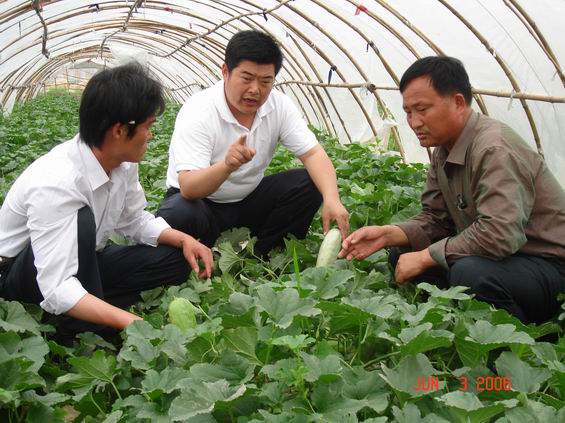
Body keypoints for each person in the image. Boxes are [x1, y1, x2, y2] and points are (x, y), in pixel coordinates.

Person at [339, 56, 565, 324]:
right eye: (408, 112)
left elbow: (500, 235)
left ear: (458, 102)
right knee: (403, 252)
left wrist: (427, 257)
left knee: (471, 274)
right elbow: (435, 219)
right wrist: (388, 235)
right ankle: (448, 324)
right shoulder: (444, 148)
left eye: (422, 109)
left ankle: (519, 344)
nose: (414, 122)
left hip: (549, 266)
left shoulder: (494, 148)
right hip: (506, 260)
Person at [0, 62, 213, 338]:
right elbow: (56, 286)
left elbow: (134, 219)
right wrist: (131, 323)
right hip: (22, 275)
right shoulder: (57, 182)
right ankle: (80, 324)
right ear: (120, 130)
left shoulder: (123, 163)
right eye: (148, 127)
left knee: (173, 260)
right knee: (82, 221)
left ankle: (88, 305)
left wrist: (184, 240)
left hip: (83, 261)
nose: (150, 135)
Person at [156, 30, 349, 256]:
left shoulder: (279, 107)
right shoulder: (199, 110)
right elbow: (189, 188)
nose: (255, 90)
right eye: (246, 78)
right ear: (225, 71)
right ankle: (202, 252)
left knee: (309, 183)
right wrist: (226, 166)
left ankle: (266, 254)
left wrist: (332, 198)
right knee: (179, 213)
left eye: (266, 81)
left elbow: (313, 154)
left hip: (246, 203)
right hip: (202, 205)